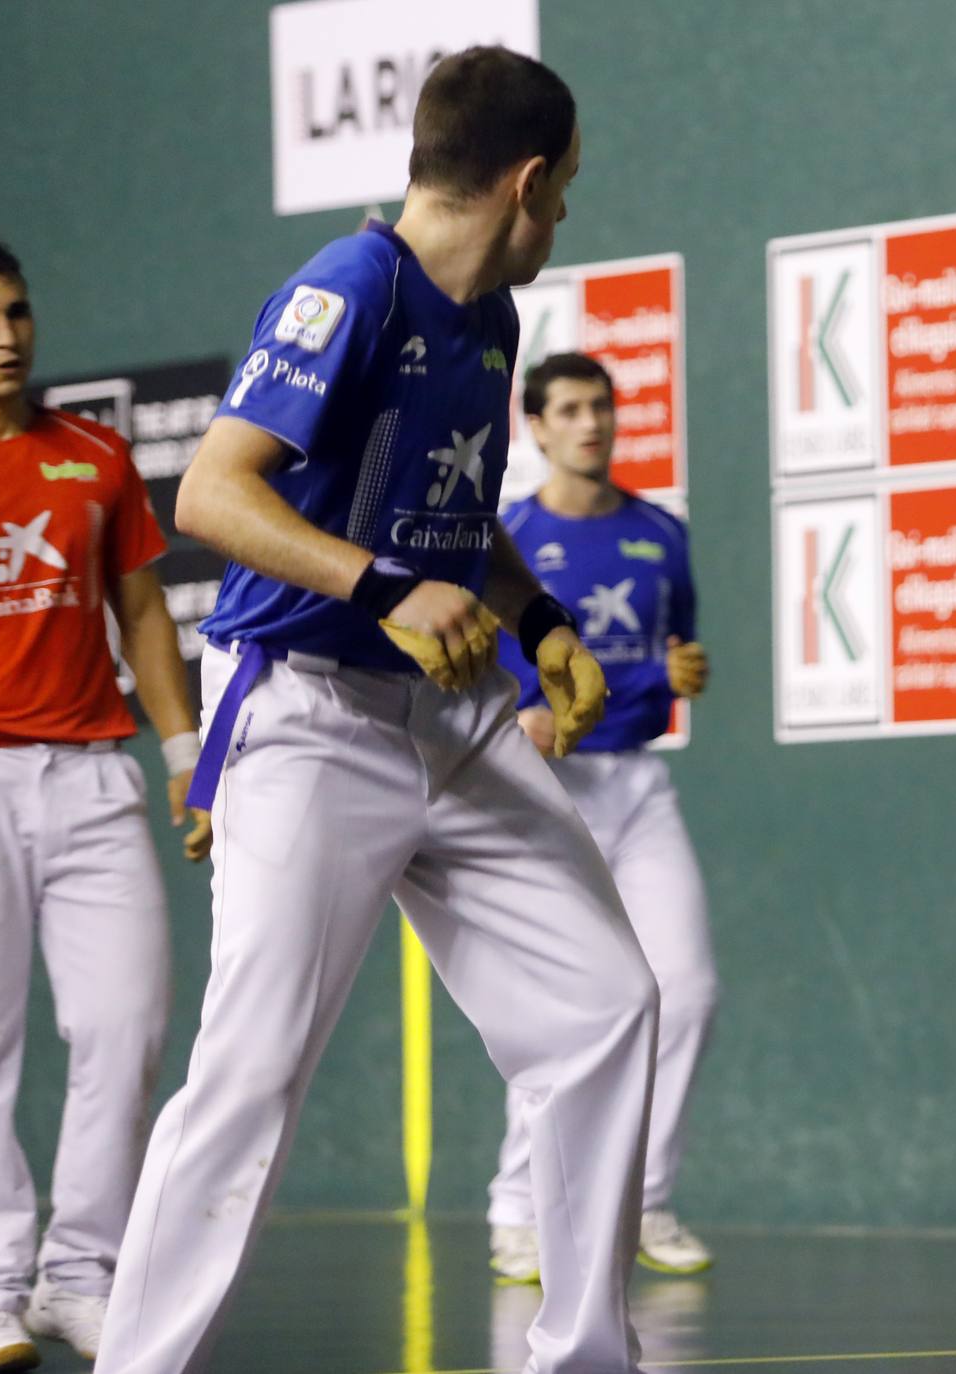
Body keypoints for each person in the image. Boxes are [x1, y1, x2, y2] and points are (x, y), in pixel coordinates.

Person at [94, 48, 662, 1374]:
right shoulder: (346, 288)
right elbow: (213, 498)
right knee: (251, 1077)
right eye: (564, 191)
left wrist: (538, 621)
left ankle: (582, 1355)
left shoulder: (492, 323)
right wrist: (381, 583)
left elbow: (460, 519)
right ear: (523, 182)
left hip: (452, 722)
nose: (565, 217)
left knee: (607, 1002)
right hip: (305, 721)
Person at [0, 233, 209, 1373]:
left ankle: (81, 1276)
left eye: (18, 312)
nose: (7, 336)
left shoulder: (94, 457)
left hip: (90, 774)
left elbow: (141, 613)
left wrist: (184, 750)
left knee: (126, 1025)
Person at [486, 352, 717, 1281]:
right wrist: (518, 709)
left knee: (687, 989)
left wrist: (678, 677)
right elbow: (477, 662)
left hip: (638, 785)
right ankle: (517, 1210)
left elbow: (678, 653)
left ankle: (643, 1201)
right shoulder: (504, 539)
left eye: (601, 408)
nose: (591, 424)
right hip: (544, 795)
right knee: (558, 1004)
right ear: (536, 428)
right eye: (570, 410)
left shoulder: (661, 533)